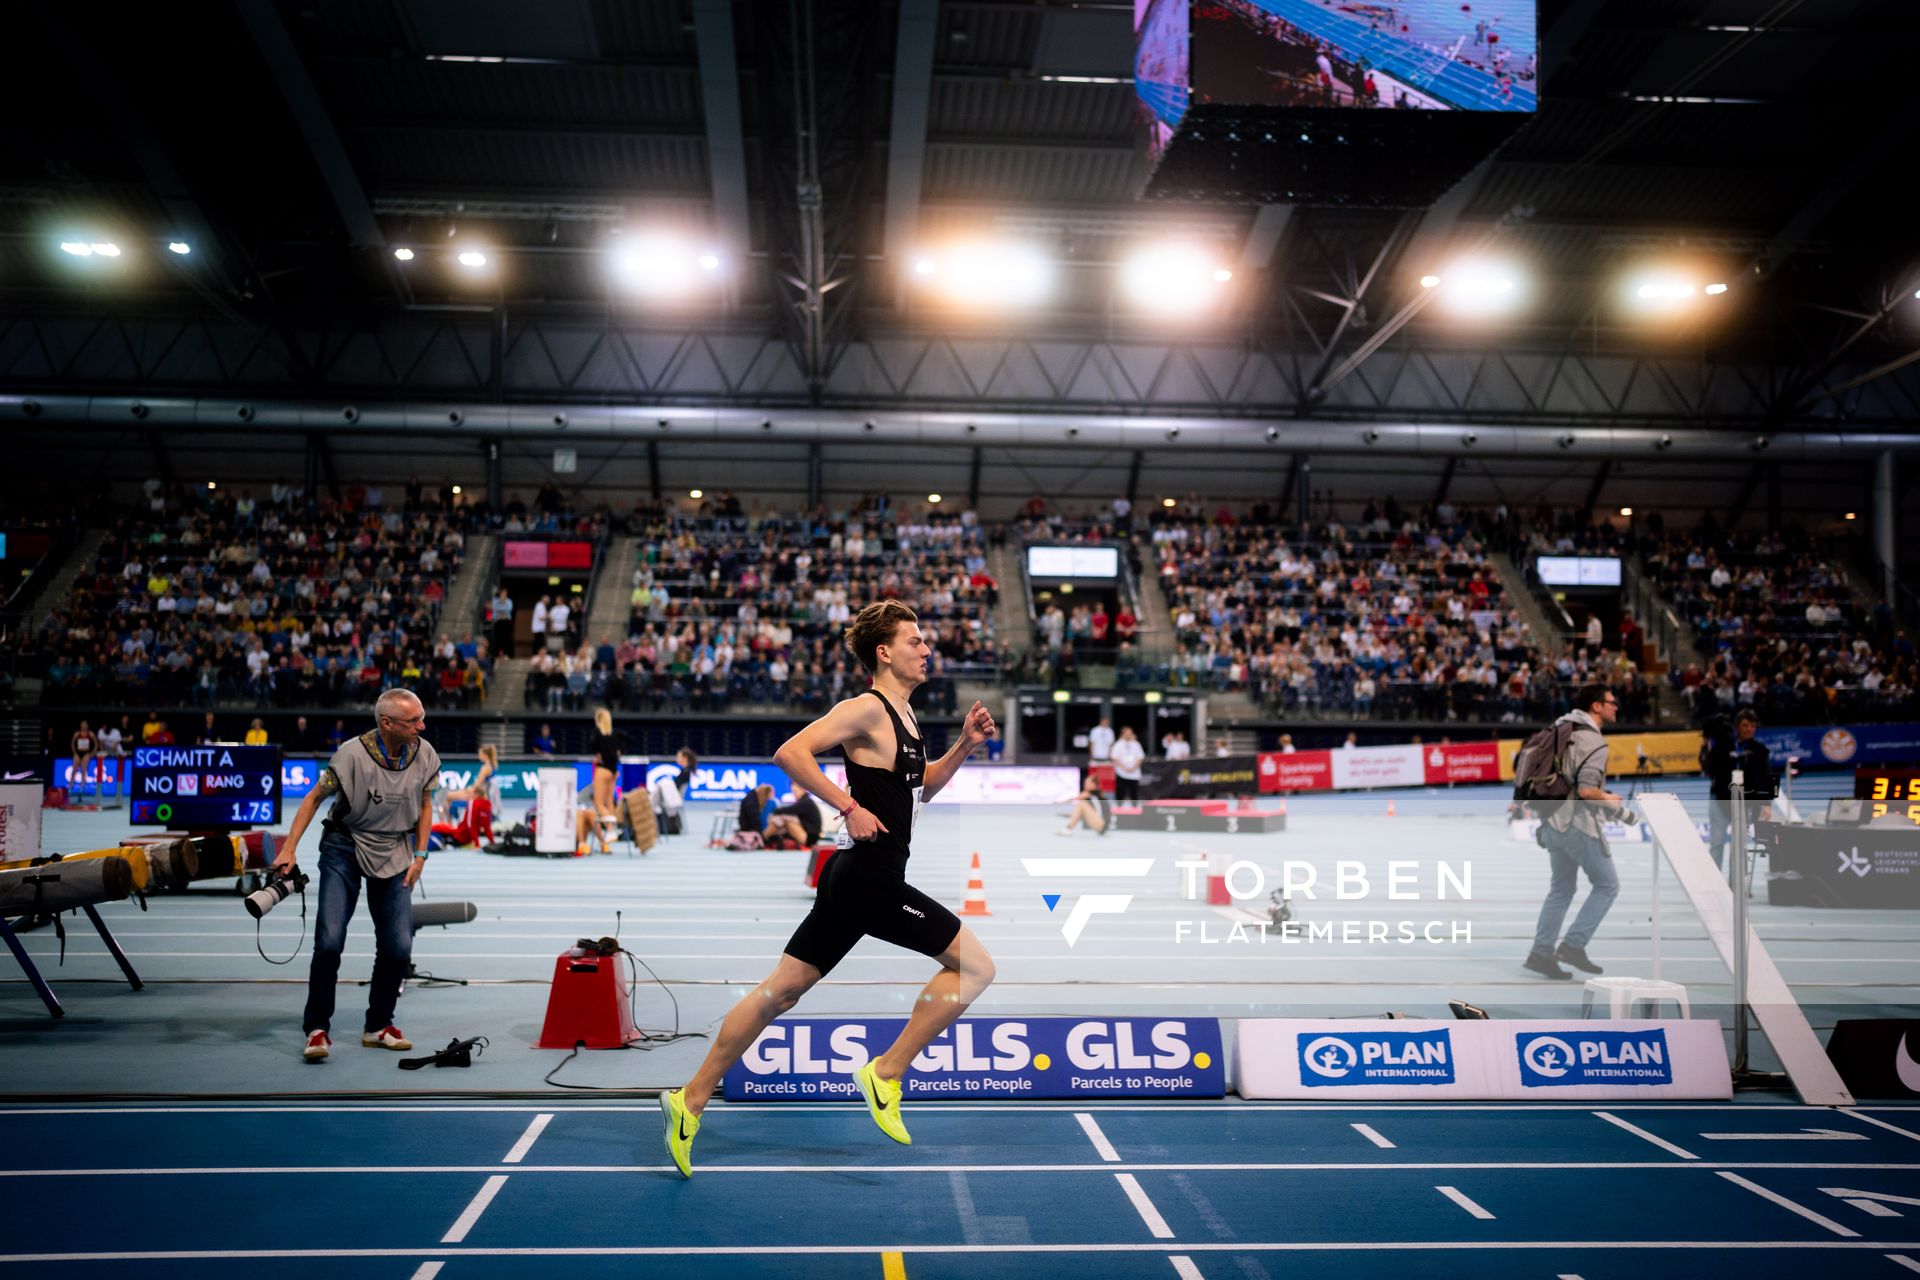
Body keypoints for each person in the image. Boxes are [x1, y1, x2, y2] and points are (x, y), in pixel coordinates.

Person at [660, 600, 998, 1178]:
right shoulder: (865, 708)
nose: (926, 649)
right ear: (884, 652)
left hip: (855, 877)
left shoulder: (907, 719)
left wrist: (964, 745)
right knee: (976, 967)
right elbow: (790, 752)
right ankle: (886, 1072)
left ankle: (688, 1100)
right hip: (871, 878)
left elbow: (925, 788)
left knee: (780, 991)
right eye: (915, 640)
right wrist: (847, 804)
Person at [272, 689, 440, 1061]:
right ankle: (317, 1029)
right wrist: (289, 847)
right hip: (343, 847)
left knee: (398, 948)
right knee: (330, 942)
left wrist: (421, 855)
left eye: (421, 718)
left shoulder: (425, 754)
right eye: (414, 721)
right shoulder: (351, 754)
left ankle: (379, 1025)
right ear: (387, 723)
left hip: (396, 849)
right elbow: (314, 798)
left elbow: (427, 804)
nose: (422, 726)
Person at [1525, 684, 1624, 981]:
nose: (1616, 706)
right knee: (1608, 885)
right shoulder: (1593, 740)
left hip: (1551, 822)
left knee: (1561, 889)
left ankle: (1541, 953)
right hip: (1577, 824)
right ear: (1596, 706)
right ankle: (1573, 945)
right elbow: (1586, 789)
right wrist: (1609, 799)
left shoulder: (1561, 727)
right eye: (1612, 701)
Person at [1704, 709, 1774, 871]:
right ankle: (1714, 887)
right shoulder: (1722, 745)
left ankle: (1735, 889)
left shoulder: (1760, 750)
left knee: (1739, 846)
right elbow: (1709, 769)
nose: (1749, 729)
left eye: (1752, 726)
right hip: (1719, 800)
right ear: (1737, 726)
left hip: (1745, 805)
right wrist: (1707, 746)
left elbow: (1767, 775)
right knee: (1717, 844)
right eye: (1745, 725)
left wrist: (1767, 804)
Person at [433, 744, 499, 848]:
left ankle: (445, 824)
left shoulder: (485, 768)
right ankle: (448, 824)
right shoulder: (491, 766)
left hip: (477, 795)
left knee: (442, 796)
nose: (479, 755)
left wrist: (467, 790)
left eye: (480, 753)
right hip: (479, 793)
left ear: (485, 755)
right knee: (445, 796)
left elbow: (477, 786)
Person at [587, 707, 621, 855]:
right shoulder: (615, 735)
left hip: (602, 771)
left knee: (598, 803)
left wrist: (599, 756)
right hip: (613, 771)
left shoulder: (598, 734)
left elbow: (591, 745)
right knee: (608, 801)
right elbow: (621, 748)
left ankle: (610, 829)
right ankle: (611, 831)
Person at [1110, 725, 1145, 807]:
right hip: (1122, 773)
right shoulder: (1118, 744)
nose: (1129, 735)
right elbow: (1115, 758)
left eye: (1130, 733)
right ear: (1123, 734)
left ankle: (1135, 808)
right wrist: (1124, 768)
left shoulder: (1136, 744)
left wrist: (1134, 768)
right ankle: (1118, 808)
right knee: (1120, 792)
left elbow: (1140, 757)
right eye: (1127, 733)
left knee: (1134, 792)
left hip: (1134, 773)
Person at [69, 720, 96, 800]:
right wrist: (74, 752)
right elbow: (72, 743)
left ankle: (81, 788)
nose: (84, 726)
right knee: (74, 770)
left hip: (86, 753)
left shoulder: (90, 734)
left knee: (84, 770)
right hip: (78, 752)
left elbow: (96, 744)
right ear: (80, 726)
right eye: (82, 725)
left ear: (87, 726)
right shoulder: (77, 734)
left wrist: (92, 753)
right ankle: (70, 787)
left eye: (85, 725)